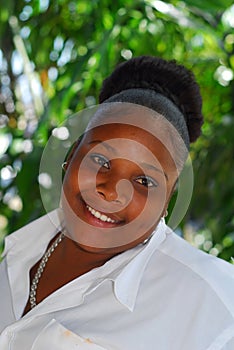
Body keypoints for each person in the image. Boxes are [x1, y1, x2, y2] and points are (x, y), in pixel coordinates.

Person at [0, 56, 233, 350]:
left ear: (167, 201)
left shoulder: (215, 305)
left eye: (144, 181)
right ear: (72, 155)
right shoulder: (20, 256)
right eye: (100, 160)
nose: (110, 192)